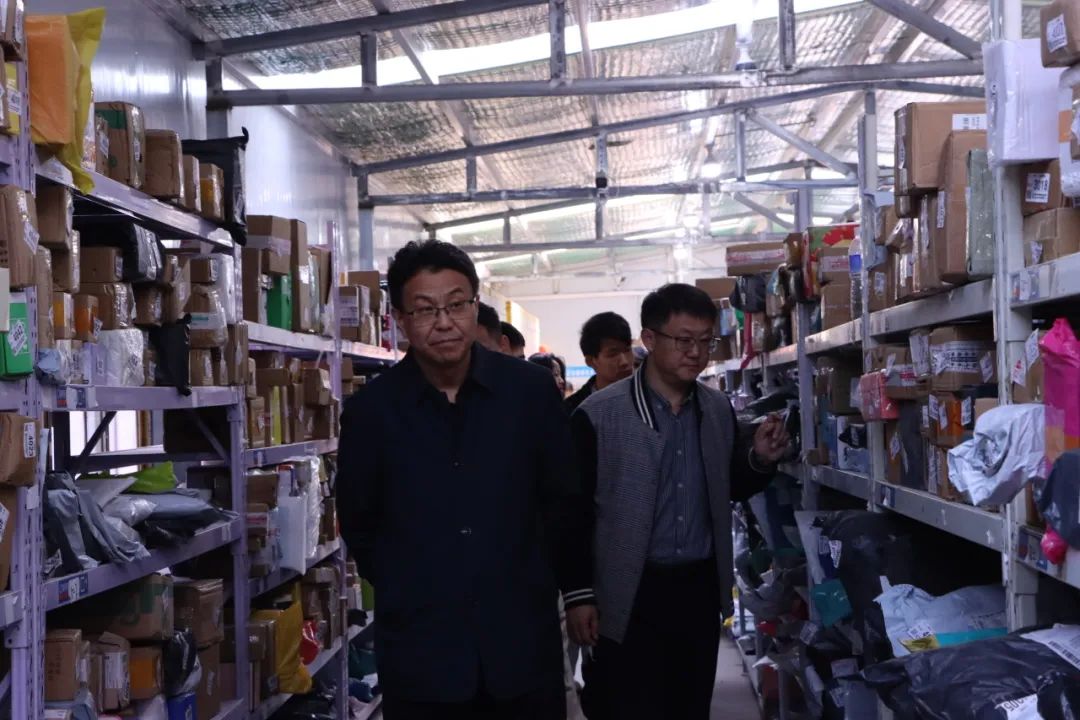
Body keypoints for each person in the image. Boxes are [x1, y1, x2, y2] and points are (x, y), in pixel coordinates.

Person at [336, 240, 590, 720]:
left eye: (456, 305)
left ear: (475, 307)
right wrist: (414, 584)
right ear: (401, 319)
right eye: (425, 309)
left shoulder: (530, 393)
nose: (444, 322)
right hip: (423, 653)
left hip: (522, 645)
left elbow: (563, 500)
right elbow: (359, 521)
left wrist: (561, 585)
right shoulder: (372, 412)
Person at [564, 283, 790, 720]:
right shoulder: (598, 415)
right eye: (683, 340)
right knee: (625, 706)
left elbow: (727, 488)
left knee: (688, 705)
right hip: (627, 593)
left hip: (696, 591)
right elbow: (572, 513)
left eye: (705, 341)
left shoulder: (716, 409)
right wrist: (579, 595)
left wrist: (759, 459)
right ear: (649, 339)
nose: (696, 352)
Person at [565, 312, 634, 414]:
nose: (624, 361)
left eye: (627, 350)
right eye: (613, 354)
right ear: (590, 361)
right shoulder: (574, 410)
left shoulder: (650, 398)